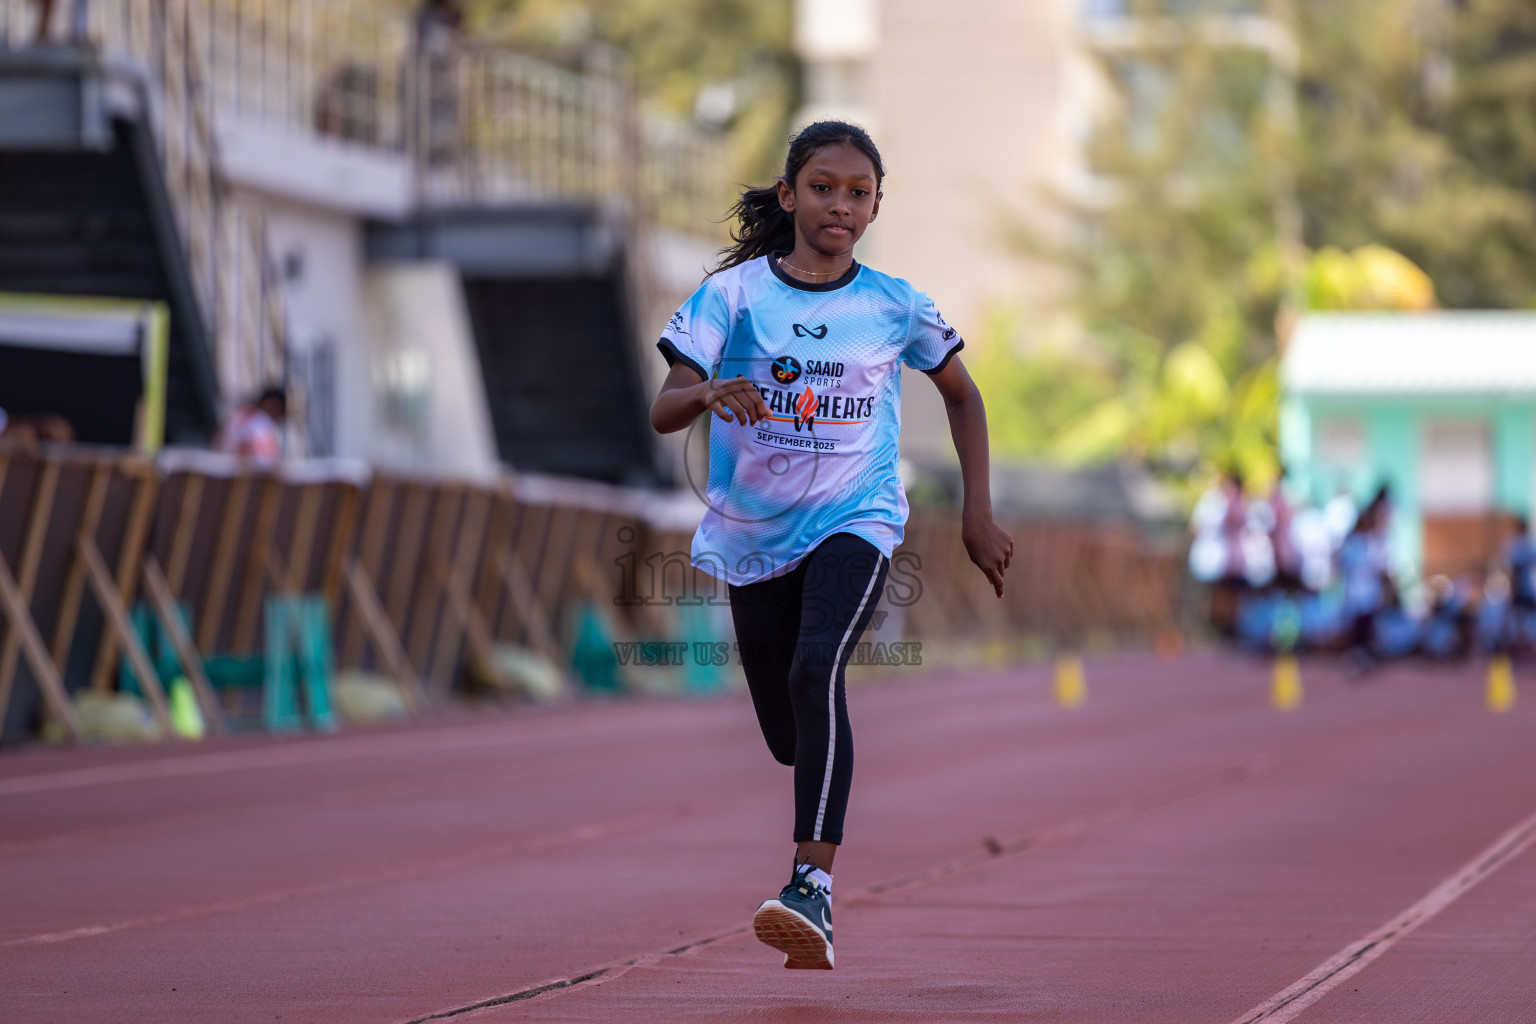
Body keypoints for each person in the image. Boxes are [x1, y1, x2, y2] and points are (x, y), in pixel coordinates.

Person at [648, 121, 1013, 970]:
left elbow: (963, 396)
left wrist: (975, 513)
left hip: (858, 519)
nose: (839, 205)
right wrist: (706, 391)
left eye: (857, 192)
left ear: (877, 205)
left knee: (820, 669)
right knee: (788, 734)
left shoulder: (894, 304)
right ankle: (814, 806)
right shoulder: (734, 299)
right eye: (822, 187)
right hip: (753, 534)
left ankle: (812, 885)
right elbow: (664, 407)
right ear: (789, 195)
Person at [216, 387, 286, 466]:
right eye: (274, 407)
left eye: (277, 410)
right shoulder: (259, 419)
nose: (274, 411)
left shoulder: (245, 413)